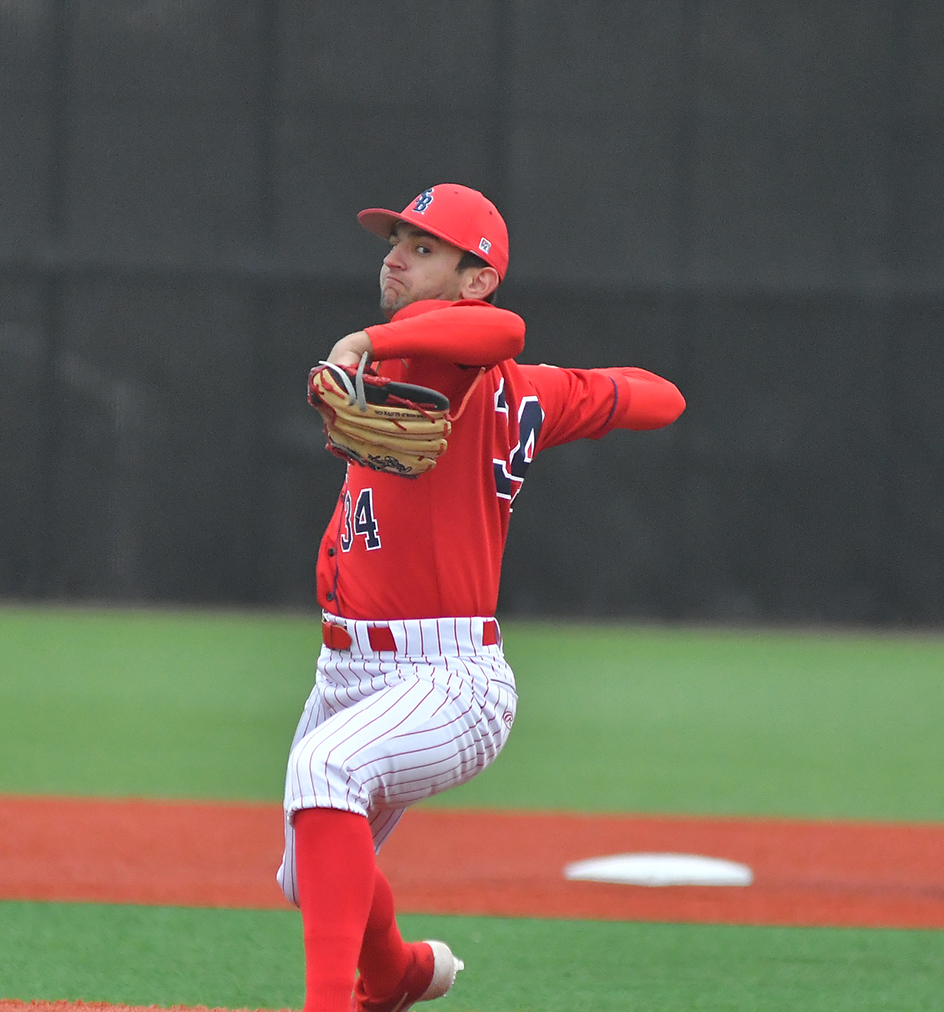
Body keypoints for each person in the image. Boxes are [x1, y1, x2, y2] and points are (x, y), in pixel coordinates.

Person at [275, 183, 686, 1011]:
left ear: (475, 278)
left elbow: (504, 332)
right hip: (348, 668)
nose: (394, 256)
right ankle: (399, 974)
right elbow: (655, 395)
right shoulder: (520, 387)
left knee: (325, 773)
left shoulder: (437, 354)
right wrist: (585, 392)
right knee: (307, 876)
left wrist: (365, 338)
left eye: (423, 249)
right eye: (396, 241)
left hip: (447, 677)